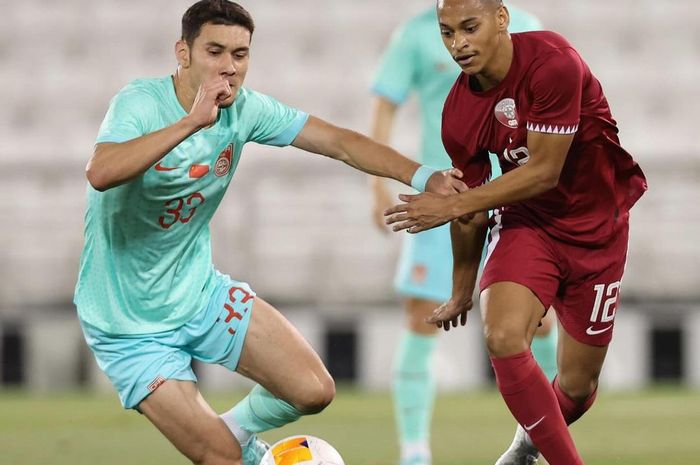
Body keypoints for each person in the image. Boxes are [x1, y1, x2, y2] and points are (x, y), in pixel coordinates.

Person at [73, 2, 466, 465]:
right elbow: (100, 171)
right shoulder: (139, 103)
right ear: (183, 52)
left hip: (198, 294)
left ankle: (236, 437)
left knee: (313, 390)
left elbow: (339, 141)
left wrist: (423, 177)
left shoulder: (245, 110)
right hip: (127, 325)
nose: (228, 67)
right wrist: (190, 123)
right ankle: (244, 453)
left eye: (239, 55)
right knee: (221, 458)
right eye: (214, 52)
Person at [383, 1, 647, 464]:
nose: (458, 44)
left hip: (599, 231)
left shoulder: (553, 64)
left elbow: (544, 170)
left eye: (469, 27)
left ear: (501, 19)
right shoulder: (458, 111)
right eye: (447, 33)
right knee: (503, 335)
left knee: (578, 387)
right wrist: (462, 289)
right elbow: (473, 201)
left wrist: (449, 205)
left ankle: (526, 445)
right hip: (529, 223)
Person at [368, 5, 556, 465]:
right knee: (421, 316)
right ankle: (414, 453)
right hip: (446, 189)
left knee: (541, 320)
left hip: (515, 191)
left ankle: (540, 440)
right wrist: (376, 184)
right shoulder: (415, 34)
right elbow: (384, 106)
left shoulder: (529, 29)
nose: (458, 40)